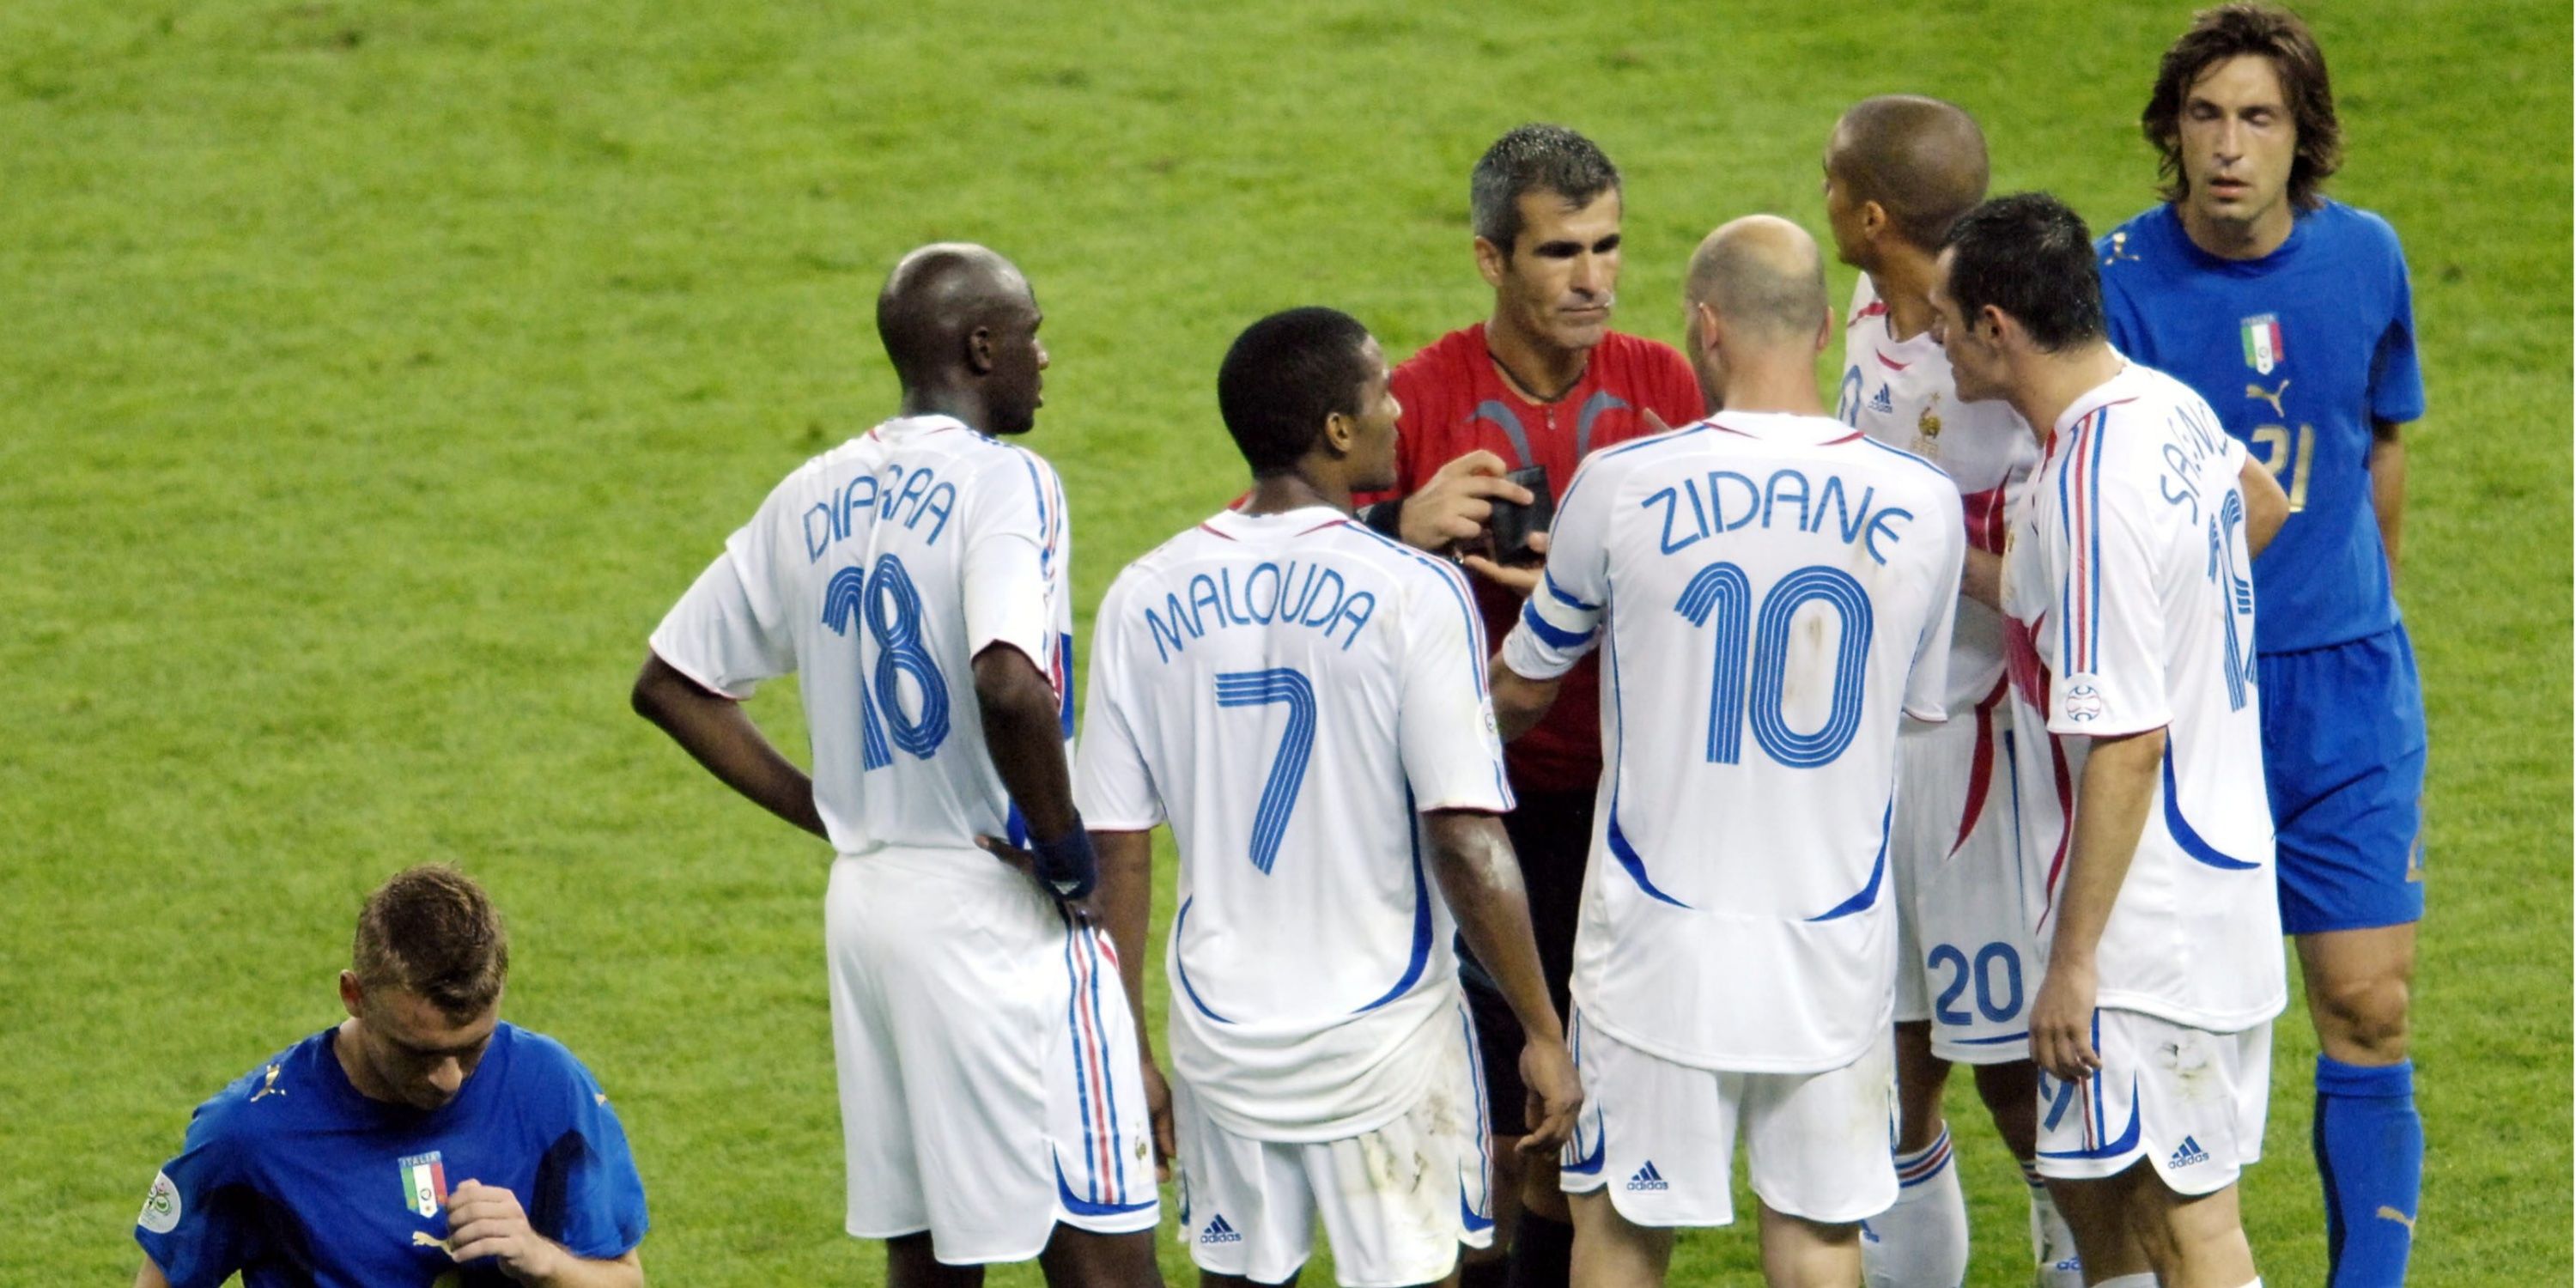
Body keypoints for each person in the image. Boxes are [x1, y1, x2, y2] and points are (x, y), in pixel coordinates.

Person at [632, 244, 1161, 1287]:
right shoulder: (1011, 482)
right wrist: (1067, 856)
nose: (1044, 357)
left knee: (925, 1253)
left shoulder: (809, 491)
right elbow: (1011, 682)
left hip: (872, 906)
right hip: (994, 911)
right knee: (1102, 1251)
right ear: (979, 346)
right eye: (1031, 333)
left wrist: (831, 812)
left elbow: (672, 682)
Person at [1492, 215, 1965, 1288]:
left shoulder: (1620, 484)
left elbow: (1521, 693)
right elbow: (1908, 708)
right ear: (1824, 326)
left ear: (1706, 327)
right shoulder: (1925, 505)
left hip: (1658, 942)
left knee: (1618, 1234)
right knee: (1817, 1242)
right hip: (1833, 940)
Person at [1072, 307, 1583, 1288]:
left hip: (1220, 1033)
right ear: (1337, 431)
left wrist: (1127, 1047)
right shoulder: (1409, 591)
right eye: (1380, 393)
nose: (1399, 410)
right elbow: (1467, 840)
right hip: (1380, 1031)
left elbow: (1120, 848)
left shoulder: (1144, 593)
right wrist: (1543, 1031)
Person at [2096, 8, 2427, 1281]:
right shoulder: (2118, 282)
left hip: (2347, 689)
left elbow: (2380, 438)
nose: (2228, 148)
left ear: (2305, 138)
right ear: (2172, 132)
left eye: (2259, 119)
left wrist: (2365, 605)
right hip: (2191, 707)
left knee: (2370, 1007)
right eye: (2204, 116)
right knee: (2155, 1037)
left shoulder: (2370, 259)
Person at [1355, 122, 1705, 1288]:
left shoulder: (1665, 386)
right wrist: (1394, 528)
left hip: (1636, 815)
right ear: (1491, 260)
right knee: (1495, 1124)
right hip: (1481, 813)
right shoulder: (1416, 395)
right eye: (1561, 252)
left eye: (1609, 246)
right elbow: (1277, 558)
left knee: (1585, 1124)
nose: (1594, 277)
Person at [1929, 191, 2290, 1288]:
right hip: (2214, 873)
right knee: (2123, 1213)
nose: (1933, 339)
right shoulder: (2160, 406)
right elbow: (2261, 503)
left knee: (2191, 1232)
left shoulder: (2090, 484)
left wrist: (2076, 963)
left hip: (2150, 928)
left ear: (1998, 326)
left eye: (1946, 318)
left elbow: (2126, 740)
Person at [1819, 95, 2078, 1288]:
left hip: (1982, 753)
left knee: (2012, 1067)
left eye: (1832, 182)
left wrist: (1906, 553)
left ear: (1871, 214)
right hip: (1876, 743)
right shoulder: (1871, 308)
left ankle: (2083, 1247)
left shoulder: (2002, 345)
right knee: (1890, 1061)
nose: (1820, 197)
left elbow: (2056, 573)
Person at [131, 865, 647, 1288]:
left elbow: (626, 1281)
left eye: (472, 1048)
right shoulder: (248, 1136)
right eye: (418, 1052)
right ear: (354, 996)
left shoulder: (550, 1088)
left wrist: (544, 1260)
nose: (448, 1079)